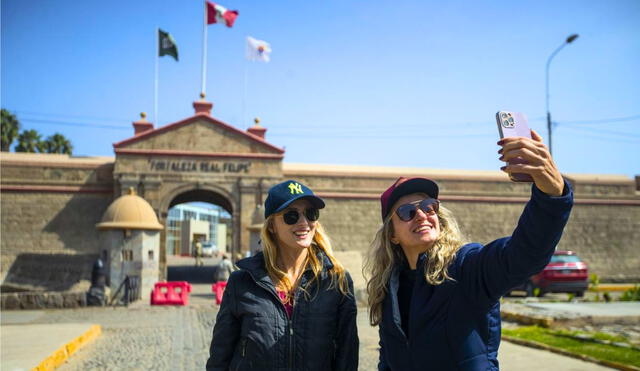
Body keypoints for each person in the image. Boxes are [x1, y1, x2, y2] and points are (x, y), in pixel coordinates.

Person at [364, 131, 573, 370]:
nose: (422, 215)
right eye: (407, 212)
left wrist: (552, 196)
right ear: (392, 234)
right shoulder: (390, 288)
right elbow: (388, 361)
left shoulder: (466, 268)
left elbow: (523, 254)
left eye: (429, 207)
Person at [206, 180, 359, 370]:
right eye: (291, 216)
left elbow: (347, 356)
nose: (304, 223)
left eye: (311, 214)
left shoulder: (337, 282)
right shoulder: (242, 282)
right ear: (272, 226)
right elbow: (220, 357)